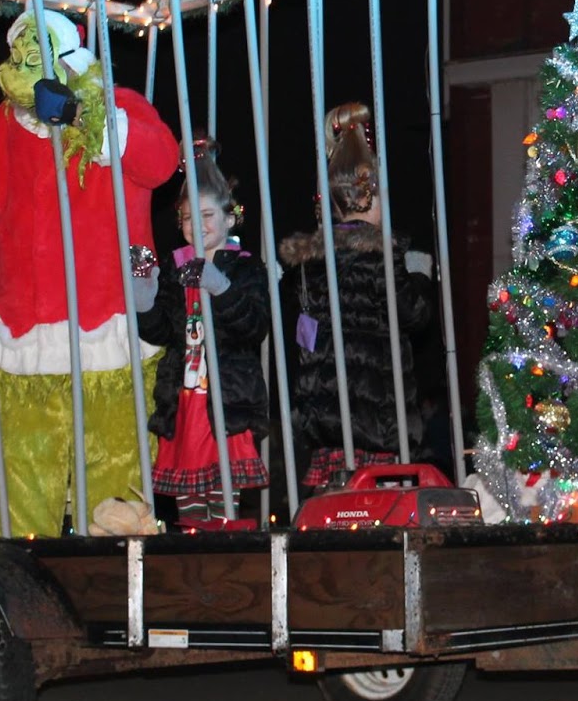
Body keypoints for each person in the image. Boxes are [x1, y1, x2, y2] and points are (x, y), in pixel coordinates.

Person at [0, 9, 179, 538]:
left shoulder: (116, 105)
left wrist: (84, 114)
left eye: (38, 48)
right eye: (19, 51)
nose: (25, 60)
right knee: (22, 480)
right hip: (23, 329)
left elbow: (160, 161)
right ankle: (16, 595)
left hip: (107, 327)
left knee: (113, 479)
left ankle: (112, 593)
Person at [278, 103, 435, 492]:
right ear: (371, 197)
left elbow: (305, 333)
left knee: (338, 514)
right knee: (379, 516)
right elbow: (412, 314)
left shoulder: (311, 261)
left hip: (329, 418)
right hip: (378, 417)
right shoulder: (382, 256)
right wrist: (419, 275)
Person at [135, 140, 270, 526]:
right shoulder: (175, 269)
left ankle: (226, 562)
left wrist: (221, 288)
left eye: (208, 214)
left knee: (223, 507)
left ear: (230, 219)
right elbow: (163, 333)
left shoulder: (244, 268)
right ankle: (195, 567)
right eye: (189, 217)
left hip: (225, 404)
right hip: (185, 405)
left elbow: (253, 327)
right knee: (190, 512)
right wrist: (145, 302)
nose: (199, 224)